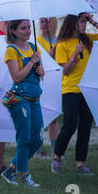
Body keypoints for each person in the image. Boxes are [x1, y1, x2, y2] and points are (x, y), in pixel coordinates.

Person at [52, 13, 98, 175]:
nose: (85, 25)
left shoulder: (88, 40)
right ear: (72, 24)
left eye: (86, 22)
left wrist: (93, 21)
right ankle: (57, 156)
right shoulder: (62, 44)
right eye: (82, 22)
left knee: (85, 127)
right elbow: (66, 71)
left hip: (88, 90)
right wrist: (73, 56)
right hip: (71, 89)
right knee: (70, 125)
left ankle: (80, 164)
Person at [0, 19, 44, 187]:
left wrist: (40, 69)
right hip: (20, 99)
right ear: (14, 31)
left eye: (28, 27)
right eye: (23, 28)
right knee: (24, 138)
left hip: (35, 98)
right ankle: (24, 176)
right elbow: (16, 77)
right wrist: (32, 62)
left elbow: (41, 73)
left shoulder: (33, 47)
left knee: (38, 139)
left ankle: (11, 169)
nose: (28, 31)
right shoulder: (11, 51)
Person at [35, 17, 59, 158]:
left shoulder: (59, 39)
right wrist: (47, 57)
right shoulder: (37, 41)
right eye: (42, 22)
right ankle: (37, 149)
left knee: (53, 117)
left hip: (55, 82)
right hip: (42, 81)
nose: (44, 25)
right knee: (39, 115)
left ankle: (55, 150)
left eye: (47, 21)